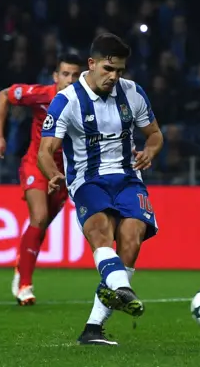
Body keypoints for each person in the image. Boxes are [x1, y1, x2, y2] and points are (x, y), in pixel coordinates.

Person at [38, 33, 163, 345]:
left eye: (119, 70)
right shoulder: (66, 100)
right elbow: (45, 149)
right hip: (87, 180)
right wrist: (53, 173)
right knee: (100, 233)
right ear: (91, 64)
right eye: (108, 69)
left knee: (132, 240)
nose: (114, 76)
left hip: (127, 178)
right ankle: (122, 288)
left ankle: (93, 328)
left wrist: (150, 149)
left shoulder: (133, 93)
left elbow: (155, 133)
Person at [0, 54, 82, 305]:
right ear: (55, 76)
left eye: (75, 75)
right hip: (37, 164)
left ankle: (22, 268)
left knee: (40, 228)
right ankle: (25, 286)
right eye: (65, 74)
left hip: (65, 174)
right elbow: (4, 95)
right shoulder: (41, 94)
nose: (70, 80)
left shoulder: (87, 103)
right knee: (38, 217)